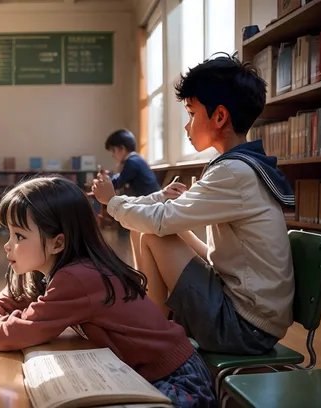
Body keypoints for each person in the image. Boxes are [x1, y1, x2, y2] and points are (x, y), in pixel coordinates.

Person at [92, 53, 295, 356]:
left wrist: (111, 201)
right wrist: (175, 219)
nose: (187, 126)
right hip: (253, 320)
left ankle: (151, 342)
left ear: (219, 117)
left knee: (152, 235)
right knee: (157, 233)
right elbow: (217, 258)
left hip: (245, 328)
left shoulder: (233, 172)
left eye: (191, 113)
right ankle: (150, 329)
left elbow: (159, 221)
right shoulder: (242, 166)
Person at [0, 176, 215, 408]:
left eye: (19, 236)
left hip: (178, 384)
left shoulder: (77, 277)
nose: (7, 245)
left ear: (58, 243)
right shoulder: (54, 269)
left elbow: (21, 331)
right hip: (151, 375)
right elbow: (10, 298)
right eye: (9, 234)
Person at [103, 128, 162, 264]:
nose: (112, 155)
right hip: (149, 200)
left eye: (113, 151)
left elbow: (118, 182)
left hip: (150, 203)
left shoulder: (132, 162)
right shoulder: (136, 159)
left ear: (122, 149)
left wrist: (105, 181)